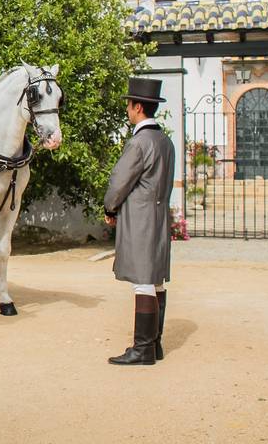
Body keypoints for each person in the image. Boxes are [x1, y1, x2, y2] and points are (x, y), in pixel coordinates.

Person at [103, 77, 175, 366]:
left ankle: (142, 349)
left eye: (129, 105)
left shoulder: (139, 142)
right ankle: (154, 344)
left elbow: (120, 181)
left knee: (142, 281)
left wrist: (110, 206)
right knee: (155, 279)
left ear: (137, 108)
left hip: (140, 217)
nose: (128, 110)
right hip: (159, 217)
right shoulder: (165, 141)